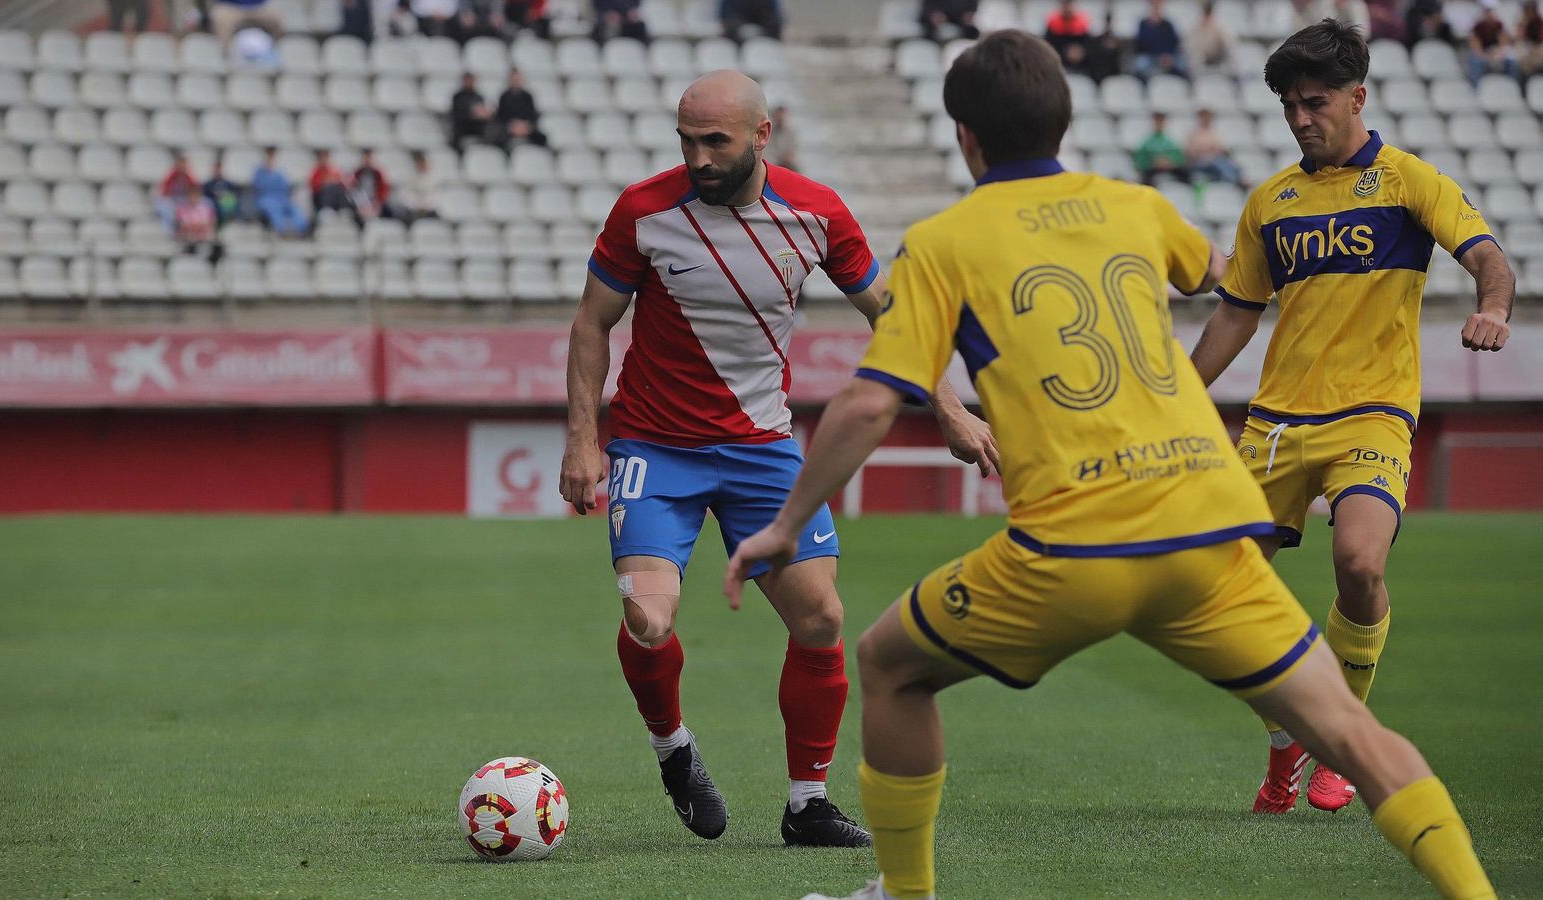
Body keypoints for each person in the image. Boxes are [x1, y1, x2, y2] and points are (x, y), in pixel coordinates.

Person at [725, 29, 1497, 900]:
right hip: (1208, 534)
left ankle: (903, 893)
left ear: (965, 138)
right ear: (1065, 120)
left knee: (890, 665)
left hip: (1074, 547)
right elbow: (1213, 271)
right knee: (1354, 736)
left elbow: (870, 401)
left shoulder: (944, 243)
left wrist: (785, 527)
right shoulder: (1136, 208)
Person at [558, 69, 996, 851]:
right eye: (686, 140)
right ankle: (673, 749)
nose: (697, 157)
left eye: (714, 141)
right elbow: (592, 323)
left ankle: (807, 805)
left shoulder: (818, 213)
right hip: (656, 448)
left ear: (762, 136)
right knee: (648, 620)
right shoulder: (644, 211)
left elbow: (892, 321)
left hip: (763, 449)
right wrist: (584, 438)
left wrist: (954, 410)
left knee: (822, 618)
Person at [1189, 20, 1513, 825]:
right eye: (1289, 106)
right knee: (1217, 591)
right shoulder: (1271, 201)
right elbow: (1236, 314)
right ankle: (1286, 737)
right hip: (1274, 422)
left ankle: (1342, 738)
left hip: (1372, 411)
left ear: (1357, 97)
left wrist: (1494, 309)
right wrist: (1182, 394)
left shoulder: (1408, 181)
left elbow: (1487, 257)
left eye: (1316, 101)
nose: (1301, 118)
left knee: (1360, 564)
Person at [251, 147, 309, 236]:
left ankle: (302, 229)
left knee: (295, 210)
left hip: (281, 199)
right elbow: (259, 187)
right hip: (266, 199)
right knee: (274, 211)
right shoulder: (259, 172)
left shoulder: (280, 172)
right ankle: (280, 231)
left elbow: (284, 188)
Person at [1467, 0, 1520, 85]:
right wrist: (1486, 55)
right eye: (1487, 11)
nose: (1489, 13)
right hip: (1482, 53)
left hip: (1495, 52)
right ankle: (1476, 88)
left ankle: (1513, 85)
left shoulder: (1498, 25)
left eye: (1490, 11)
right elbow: (1475, 45)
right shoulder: (1477, 26)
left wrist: (1498, 53)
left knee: (1511, 62)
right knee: (1476, 62)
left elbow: (1504, 43)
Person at [1185, 108, 1242, 185]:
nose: (1207, 119)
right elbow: (1190, 152)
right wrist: (1206, 150)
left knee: (1227, 163)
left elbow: (1220, 149)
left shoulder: (1214, 132)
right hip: (1201, 162)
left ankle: (1234, 178)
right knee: (1220, 163)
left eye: (1208, 117)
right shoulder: (1194, 133)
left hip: (1214, 160)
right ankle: (1233, 180)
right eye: (1204, 117)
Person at [1133, 112, 1190, 185]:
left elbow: (1179, 157)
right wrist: (1152, 162)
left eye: (1161, 121)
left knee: (1185, 173)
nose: (1159, 124)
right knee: (1145, 177)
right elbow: (1140, 159)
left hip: (1170, 167)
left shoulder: (1170, 141)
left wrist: (1170, 162)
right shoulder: (1147, 141)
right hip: (1152, 168)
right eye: (1157, 121)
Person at [496, 68, 548, 148]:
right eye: (515, 79)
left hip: (526, 128)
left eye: (519, 79)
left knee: (542, 138)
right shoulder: (504, 97)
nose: (517, 81)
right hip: (510, 129)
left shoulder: (528, 96)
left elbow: (533, 115)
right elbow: (500, 116)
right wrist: (512, 126)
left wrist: (526, 126)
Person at [1133, 0, 1185, 79]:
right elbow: (1141, 44)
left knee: (1182, 63)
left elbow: (1173, 43)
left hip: (1166, 56)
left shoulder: (1167, 24)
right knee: (1140, 63)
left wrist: (1167, 56)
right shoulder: (1143, 24)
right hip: (1150, 56)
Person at [173, 185, 222, 263]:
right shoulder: (182, 209)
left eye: (196, 195)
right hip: (189, 237)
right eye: (192, 195)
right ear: (188, 196)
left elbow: (210, 223)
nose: (194, 198)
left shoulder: (206, 208)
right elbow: (183, 225)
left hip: (203, 236)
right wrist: (197, 227)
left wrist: (198, 227)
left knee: (217, 245)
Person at [1185, 1, 1234, 77]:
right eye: (1205, 15)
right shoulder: (1194, 29)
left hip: (1217, 60)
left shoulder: (1218, 28)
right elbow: (1190, 48)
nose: (1206, 18)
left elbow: (1228, 44)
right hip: (1200, 62)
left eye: (1208, 15)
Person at [1044, 0, 1092, 72]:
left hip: (1081, 66)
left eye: (1070, 3)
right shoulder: (1053, 24)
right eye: (1065, 4)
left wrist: (1080, 51)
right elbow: (1048, 46)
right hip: (1059, 63)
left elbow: (1088, 44)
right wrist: (1065, 53)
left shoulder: (1082, 24)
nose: (1068, 7)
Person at [156, 151, 200, 231]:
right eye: (180, 164)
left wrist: (191, 199)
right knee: (165, 207)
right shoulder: (172, 175)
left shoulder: (188, 176)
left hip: (184, 200)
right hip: (173, 199)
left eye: (184, 164)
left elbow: (194, 190)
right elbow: (165, 189)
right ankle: (170, 230)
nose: (182, 167)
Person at [450, 73, 494, 151]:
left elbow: (482, 114)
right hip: (462, 133)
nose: (470, 83)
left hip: (478, 132)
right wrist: (473, 114)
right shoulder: (457, 97)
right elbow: (458, 116)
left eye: (471, 80)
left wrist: (485, 115)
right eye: (467, 80)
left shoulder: (479, 97)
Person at [211, 0, 284, 44]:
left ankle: (273, 55)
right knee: (221, 18)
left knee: (278, 20)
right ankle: (225, 57)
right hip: (230, 7)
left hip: (258, 7)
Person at [309, 149, 353, 218]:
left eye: (325, 157)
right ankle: (327, 208)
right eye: (322, 158)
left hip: (335, 199)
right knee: (329, 187)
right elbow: (315, 188)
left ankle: (342, 208)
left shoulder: (334, 171)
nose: (324, 160)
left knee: (337, 188)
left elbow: (343, 184)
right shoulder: (316, 172)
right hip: (321, 200)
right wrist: (325, 183)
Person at [201, 157, 244, 224]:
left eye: (219, 169)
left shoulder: (227, 183)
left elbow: (235, 190)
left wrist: (226, 195)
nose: (218, 171)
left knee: (233, 202)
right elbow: (206, 193)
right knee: (214, 205)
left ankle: (236, 220)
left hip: (225, 201)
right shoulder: (209, 184)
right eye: (216, 169)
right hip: (214, 201)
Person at [352, 149, 391, 222]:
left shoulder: (378, 174)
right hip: (361, 205)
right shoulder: (357, 174)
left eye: (369, 158)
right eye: (366, 158)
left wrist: (376, 205)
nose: (367, 161)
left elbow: (383, 193)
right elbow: (354, 192)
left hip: (375, 205)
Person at [766, 105, 800, 170]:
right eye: (778, 117)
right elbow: (768, 152)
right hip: (773, 162)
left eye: (782, 117)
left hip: (786, 162)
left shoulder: (791, 133)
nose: (780, 119)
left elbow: (793, 151)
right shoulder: (769, 132)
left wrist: (787, 157)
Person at [1521, 0, 1543, 76]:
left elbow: (1540, 41)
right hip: (1527, 50)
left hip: (1537, 49)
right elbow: (1519, 38)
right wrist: (1525, 23)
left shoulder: (1540, 22)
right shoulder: (1523, 22)